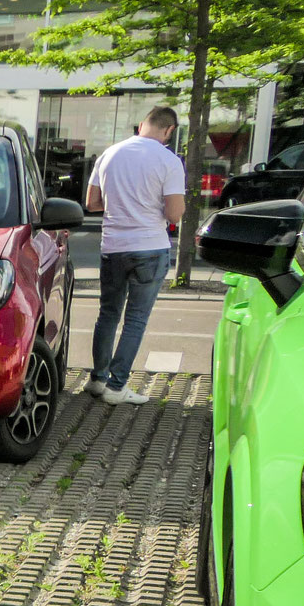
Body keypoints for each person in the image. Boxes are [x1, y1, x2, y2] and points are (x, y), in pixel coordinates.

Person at [84, 105, 185, 406]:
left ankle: (98, 379)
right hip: (150, 248)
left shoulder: (109, 154)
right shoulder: (169, 160)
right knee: (136, 319)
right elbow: (175, 214)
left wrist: (122, 204)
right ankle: (117, 386)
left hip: (113, 246)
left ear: (142, 124)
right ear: (168, 131)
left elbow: (92, 203)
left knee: (108, 314)